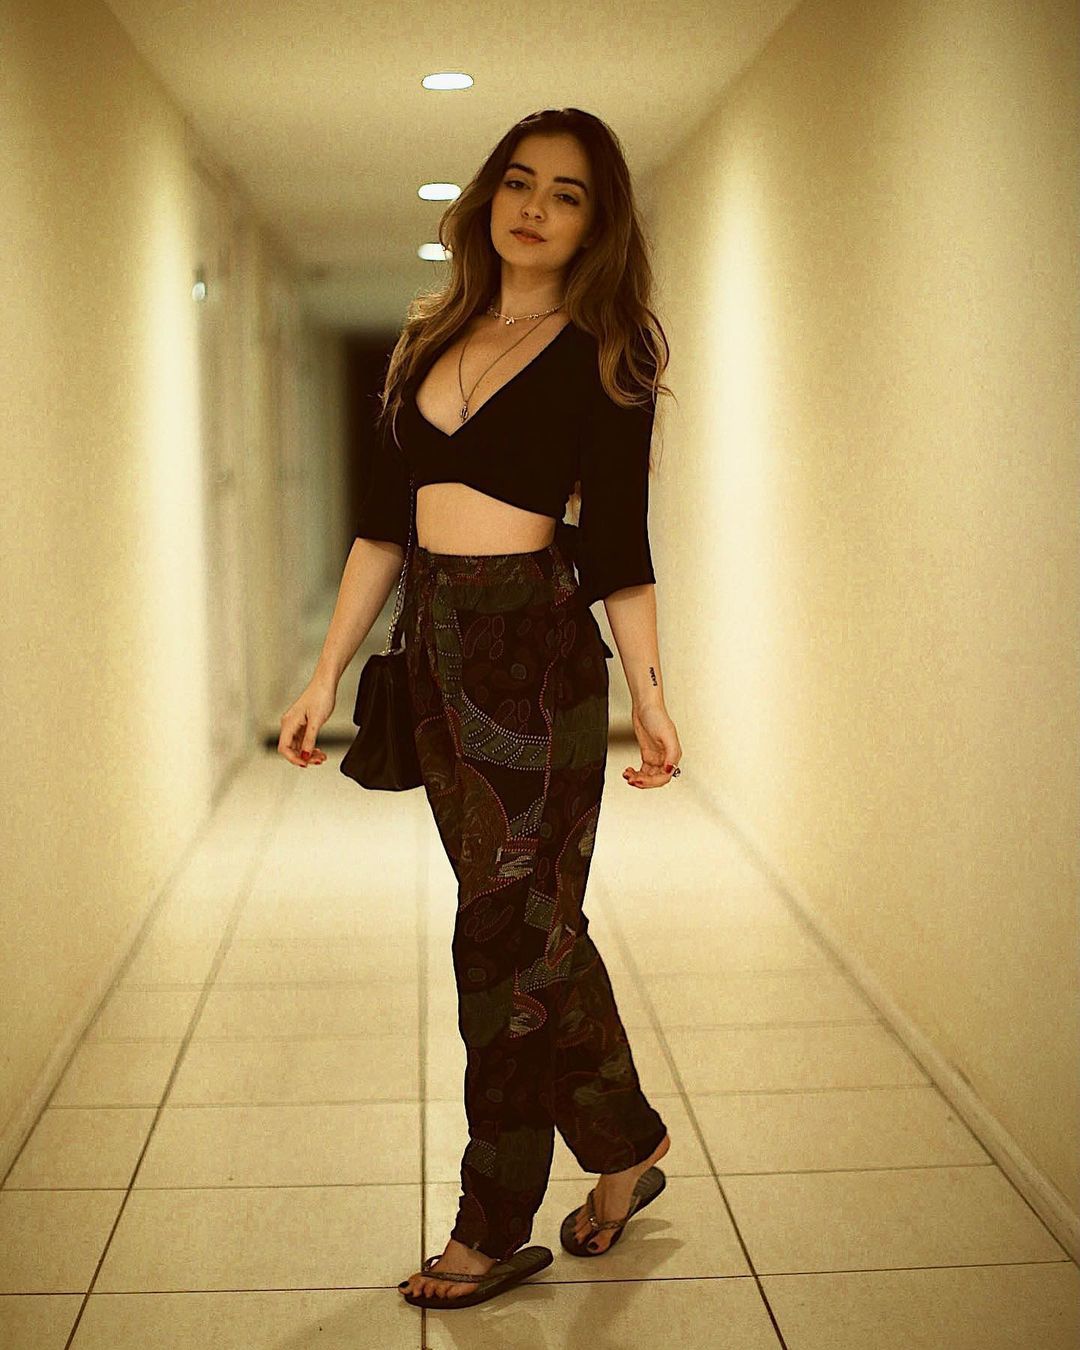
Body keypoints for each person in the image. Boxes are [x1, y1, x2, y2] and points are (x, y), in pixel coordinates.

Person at [278, 107, 683, 1311]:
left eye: (567, 193)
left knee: (497, 943)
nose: (535, 207)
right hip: (439, 656)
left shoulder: (609, 350)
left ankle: (490, 1222)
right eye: (519, 181)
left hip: (539, 657)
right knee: (530, 928)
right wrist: (324, 673)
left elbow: (619, 544)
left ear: (595, 224)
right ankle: (625, 1142)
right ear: (487, 198)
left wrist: (654, 701)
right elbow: (380, 527)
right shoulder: (430, 339)